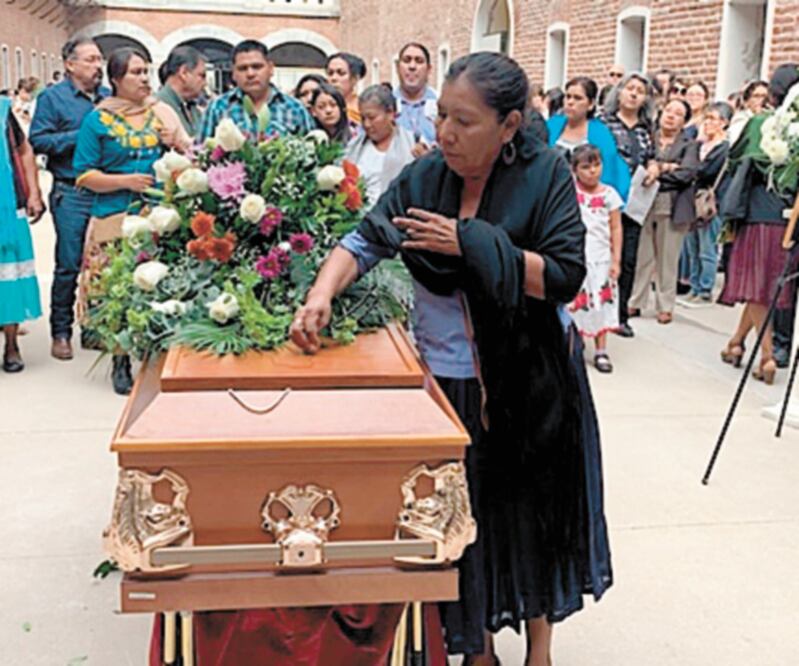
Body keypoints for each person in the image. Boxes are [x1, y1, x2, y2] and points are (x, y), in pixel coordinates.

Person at [292, 52, 612, 666]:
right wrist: (320, 292)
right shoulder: (427, 177)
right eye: (441, 117)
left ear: (510, 125)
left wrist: (470, 241)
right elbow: (365, 239)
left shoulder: (545, 176)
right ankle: (479, 647)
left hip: (529, 383)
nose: (445, 133)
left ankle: (539, 651)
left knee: (531, 518)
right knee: (464, 525)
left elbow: (565, 276)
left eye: (464, 122)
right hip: (448, 388)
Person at [73, 47, 189, 394]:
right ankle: (120, 360)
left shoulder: (160, 112)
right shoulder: (98, 119)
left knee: (158, 283)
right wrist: (124, 181)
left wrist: (174, 145)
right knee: (117, 287)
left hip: (157, 215)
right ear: (116, 80)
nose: (144, 79)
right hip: (114, 214)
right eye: (136, 73)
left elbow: (189, 154)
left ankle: (156, 352)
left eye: (145, 71)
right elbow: (83, 174)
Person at [718, 64, 799, 383]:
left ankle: (766, 356)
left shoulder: (762, 124)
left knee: (757, 287)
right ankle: (736, 343)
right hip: (789, 217)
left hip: (758, 213)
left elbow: (735, 156)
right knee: (765, 285)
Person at [29, 36, 108, 361]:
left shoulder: (108, 97)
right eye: (90, 59)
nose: (97, 65)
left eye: (99, 59)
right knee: (69, 264)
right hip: (71, 191)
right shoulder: (53, 98)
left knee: (103, 264)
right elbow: (39, 140)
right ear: (70, 64)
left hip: (107, 190)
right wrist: (85, 133)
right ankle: (61, 331)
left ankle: (96, 326)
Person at [628, 99, 699, 324]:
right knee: (642, 255)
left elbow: (686, 174)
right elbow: (638, 167)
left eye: (678, 113)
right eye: (668, 110)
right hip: (644, 204)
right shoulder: (648, 138)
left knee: (668, 258)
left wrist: (657, 171)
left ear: (684, 121)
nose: (671, 116)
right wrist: (668, 167)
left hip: (673, 206)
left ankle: (665, 305)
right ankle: (635, 301)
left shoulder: (689, 145)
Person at [601, 72, 657, 338]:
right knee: (601, 255)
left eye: (640, 91)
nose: (634, 94)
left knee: (628, 259)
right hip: (607, 196)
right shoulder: (604, 123)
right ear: (619, 92)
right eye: (630, 88)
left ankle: (620, 316)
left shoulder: (647, 129)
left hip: (634, 201)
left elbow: (652, 158)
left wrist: (654, 168)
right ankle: (596, 311)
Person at [568, 145, 623, 373]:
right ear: (575, 170)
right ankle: (575, 345)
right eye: (586, 167)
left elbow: (616, 227)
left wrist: (616, 259)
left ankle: (601, 350)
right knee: (576, 302)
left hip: (601, 258)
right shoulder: (571, 193)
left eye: (596, 165)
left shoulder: (609, 195)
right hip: (577, 256)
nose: (592, 171)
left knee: (601, 303)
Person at [0, 94, 45, 372]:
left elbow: (24, 150)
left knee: (9, 275)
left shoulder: (4, 113)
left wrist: (34, 192)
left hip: (7, 206)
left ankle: (11, 345)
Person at [200, 40, 314, 141]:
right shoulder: (218, 108)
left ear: (270, 69)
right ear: (233, 73)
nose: (250, 74)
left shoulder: (295, 108)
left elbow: (312, 154)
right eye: (242, 68)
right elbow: (201, 153)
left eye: (257, 67)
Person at [547, 76, 631, 201]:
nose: (570, 102)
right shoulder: (551, 125)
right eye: (568, 96)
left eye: (578, 98)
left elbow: (609, 171)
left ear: (590, 104)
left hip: (589, 204)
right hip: (551, 197)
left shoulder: (601, 134)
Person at [680, 101, 732, 305]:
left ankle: (705, 289)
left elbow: (704, 171)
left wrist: (691, 168)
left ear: (724, 123)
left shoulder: (724, 148)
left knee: (707, 247)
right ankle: (693, 285)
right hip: (693, 199)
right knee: (692, 246)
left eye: (713, 119)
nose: (708, 123)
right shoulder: (700, 145)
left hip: (710, 202)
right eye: (706, 118)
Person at [345, 85, 415, 209]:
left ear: (390, 113)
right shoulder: (353, 148)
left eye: (372, 118)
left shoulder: (413, 144)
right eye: (363, 118)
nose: (366, 124)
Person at [155, 45, 207, 138]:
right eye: (201, 75)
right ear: (184, 73)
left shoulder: (194, 109)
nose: (205, 83)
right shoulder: (155, 107)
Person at [394, 42, 438, 149]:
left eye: (419, 61)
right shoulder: (384, 105)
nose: (412, 66)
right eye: (407, 60)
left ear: (429, 69)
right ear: (397, 67)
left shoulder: (441, 105)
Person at [325, 52, 367, 130]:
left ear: (355, 78)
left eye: (341, 73)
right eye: (330, 73)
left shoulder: (363, 108)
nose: (334, 78)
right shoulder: (320, 108)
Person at [728, 79, 769, 144]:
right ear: (747, 102)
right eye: (756, 96)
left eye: (764, 96)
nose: (761, 100)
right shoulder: (740, 119)